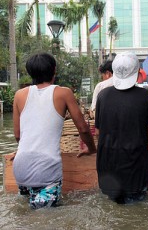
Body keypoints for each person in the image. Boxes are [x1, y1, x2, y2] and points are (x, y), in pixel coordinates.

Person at [12, 52, 97, 209]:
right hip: (46, 169)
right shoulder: (64, 92)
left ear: (30, 72)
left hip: (21, 167)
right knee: (46, 220)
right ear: (54, 70)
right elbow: (83, 129)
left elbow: (18, 135)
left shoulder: (19, 95)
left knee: (27, 217)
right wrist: (91, 149)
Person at [94, 51, 148, 204]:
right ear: (136, 73)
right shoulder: (147, 97)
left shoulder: (102, 96)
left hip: (107, 171)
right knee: (136, 211)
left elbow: (98, 132)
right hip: (134, 171)